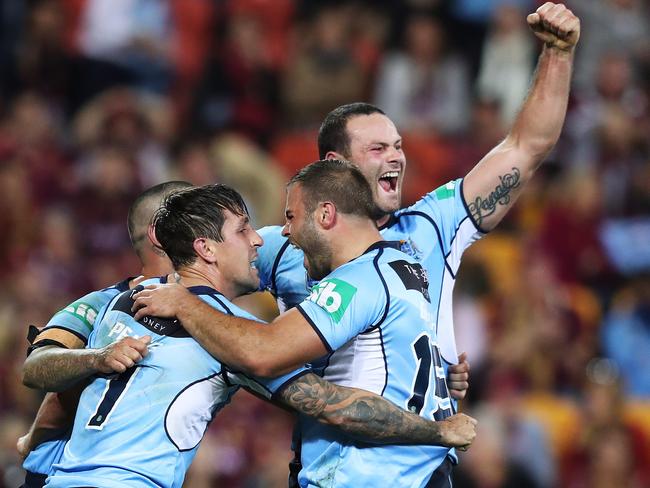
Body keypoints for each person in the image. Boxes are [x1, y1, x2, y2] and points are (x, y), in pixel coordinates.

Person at [258, 2, 580, 479]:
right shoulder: (283, 243)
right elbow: (202, 270)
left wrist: (557, 54)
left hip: (424, 468)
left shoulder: (432, 224)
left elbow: (525, 147)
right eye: (378, 148)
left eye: (399, 145)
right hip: (331, 469)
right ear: (337, 162)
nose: (396, 158)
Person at [46, 183, 476, 487]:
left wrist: (36, 448)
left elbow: (45, 379)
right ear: (206, 249)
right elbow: (337, 408)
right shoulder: (225, 335)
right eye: (242, 230)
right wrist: (436, 431)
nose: (259, 240)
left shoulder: (119, 300)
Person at [18, 180, 192, 488]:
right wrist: (98, 357)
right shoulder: (101, 304)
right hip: (59, 476)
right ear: (163, 233)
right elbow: (35, 367)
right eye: (200, 217)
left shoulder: (206, 312)